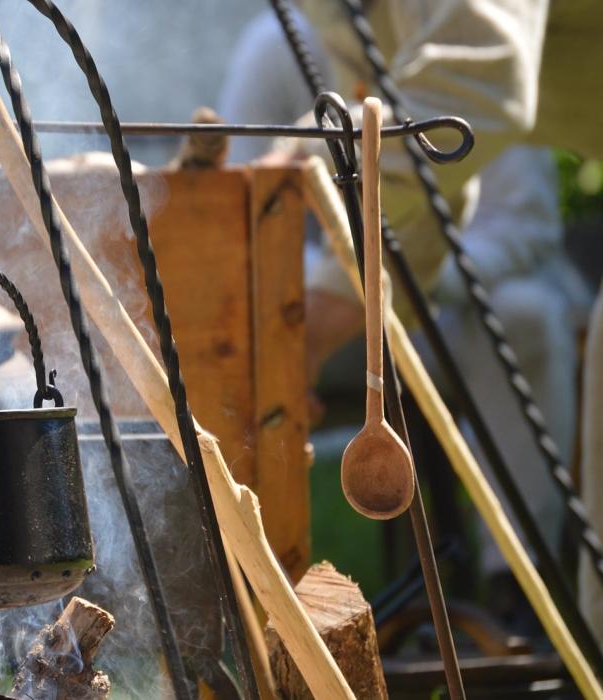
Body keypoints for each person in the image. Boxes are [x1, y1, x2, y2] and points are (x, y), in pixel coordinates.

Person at [220, 2, 599, 631]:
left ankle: (520, 583)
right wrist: (307, 337)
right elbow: (407, 174)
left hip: (475, 289)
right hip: (396, 289)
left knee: (524, 318)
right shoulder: (323, 23)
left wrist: (310, 173)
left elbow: (479, 88)